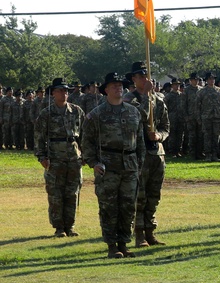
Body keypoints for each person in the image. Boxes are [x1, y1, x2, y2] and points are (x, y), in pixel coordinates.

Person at [81, 72, 144, 258]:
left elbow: (139, 141)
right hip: (107, 165)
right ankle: (111, 246)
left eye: (120, 85)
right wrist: (93, 163)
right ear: (106, 89)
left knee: (127, 206)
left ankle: (124, 243)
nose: (118, 88)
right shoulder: (96, 115)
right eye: (114, 85)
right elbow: (87, 142)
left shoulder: (133, 111)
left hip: (130, 165)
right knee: (109, 207)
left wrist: (140, 163)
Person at [34, 77, 85, 237]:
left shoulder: (76, 111)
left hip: (73, 157)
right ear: (53, 93)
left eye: (66, 90)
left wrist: (85, 155)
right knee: (55, 193)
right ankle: (59, 228)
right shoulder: (46, 114)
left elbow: (84, 135)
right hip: (54, 157)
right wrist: (42, 157)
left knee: (73, 192)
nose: (64, 93)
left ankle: (70, 226)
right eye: (60, 90)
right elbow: (39, 137)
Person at [130, 61, 171, 246]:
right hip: (139, 153)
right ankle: (138, 233)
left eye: (146, 75)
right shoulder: (129, 99)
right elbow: (138, 118)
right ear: (134, 79)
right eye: (140, 76)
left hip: (156, 153)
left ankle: (150, 231)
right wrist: (146, 96)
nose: (145, 79)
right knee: (140, 195)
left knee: (154, 195)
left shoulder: (159, 101)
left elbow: (166, 127)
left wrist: (160, 136)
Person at [196, 72, 220, 161]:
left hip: (217, 117)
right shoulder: (201, 91)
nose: (212, 80)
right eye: (210, 79)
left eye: (213, 79)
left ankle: (214, 154)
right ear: (206, 80)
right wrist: (198, 118)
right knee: (207, 137)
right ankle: (208, 155)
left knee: (216, 137)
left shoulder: (219, 90)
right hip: (206, 117)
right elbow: (197, 106)